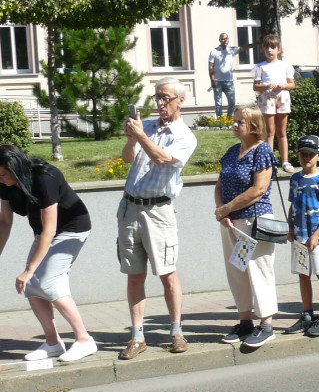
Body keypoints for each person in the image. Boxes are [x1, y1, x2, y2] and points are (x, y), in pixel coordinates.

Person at [117, 77, 197, 360]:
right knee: (134, 274)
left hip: (158, 211)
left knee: (168, 274)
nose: (160, 103)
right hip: (130, 208)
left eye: (165, 97)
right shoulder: (147, 127)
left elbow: (163, 159)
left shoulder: (185, 135)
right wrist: (131, 139)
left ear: (180, 101)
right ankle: (137, 336)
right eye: (157, 97)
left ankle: (176, 331)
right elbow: (128, 158)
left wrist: (140, 137)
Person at [0, 145, 97, 363]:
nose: (1, 178)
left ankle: (84, 340)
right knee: (31, 286)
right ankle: (53, 343)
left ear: (16, 169)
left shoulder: (45, 177)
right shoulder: (5, 183)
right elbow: (5, 221)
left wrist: (28, 269)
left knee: (49, 283)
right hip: (43, 231)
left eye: (4, 174)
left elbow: (51, 229)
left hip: (71, 229)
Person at [215, 105, 279, 347]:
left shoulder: (262, 151)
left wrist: (227, 208)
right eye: (234, 120)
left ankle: (267, 325)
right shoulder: (232, 152)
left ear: (254, 126)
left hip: (255, 220)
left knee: (259, 270)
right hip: (231, 222)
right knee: (237, 272)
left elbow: (259, 189)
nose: (234, 124)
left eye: (240, 121)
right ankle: (245, 323)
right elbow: (220, 184)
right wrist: (222, 212)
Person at [285, 135, 319, 337]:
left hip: (316, 237)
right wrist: (289, 227)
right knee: (303, 274)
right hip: (298, 235)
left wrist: (316, 234)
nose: (306, 157)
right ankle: (307, 314)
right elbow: (292, 205)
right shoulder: (295, 179)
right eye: (303, 154)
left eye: (311, 154)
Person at [252, 34, 296, 172]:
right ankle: (269, 161)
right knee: (269, 131)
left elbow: (292, 84)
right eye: (267, 48)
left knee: (281, 131)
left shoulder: (285, 66)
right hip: (268, 98)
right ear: (263, 51)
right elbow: (256, 86)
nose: (270, 51)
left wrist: (283, 85)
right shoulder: (260, 67)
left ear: (279, 50)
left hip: (282, 98)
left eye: (272, 47)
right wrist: (266, 86)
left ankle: (285, 161)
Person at [208, 32, 255, 118]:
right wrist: (212, 79)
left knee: (232, 101)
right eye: (223, 38)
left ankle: (229, 118)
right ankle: (220, 119)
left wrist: (257, 43)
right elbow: (210, 67)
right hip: (217, 81)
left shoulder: (231, 50)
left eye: (227, 38)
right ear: (219, 40)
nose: (225, 40)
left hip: (229, 81)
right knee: (218, 102)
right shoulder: (214, 51)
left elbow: (244, 47)